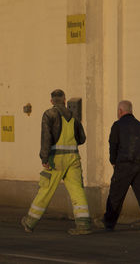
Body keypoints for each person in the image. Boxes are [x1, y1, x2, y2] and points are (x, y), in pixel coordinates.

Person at [21, 89, 92, 235]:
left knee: (46, 190)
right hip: (73, 159)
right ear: (65, 100)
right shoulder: (73, 116)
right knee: (77, 190)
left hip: (56, 159)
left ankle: (30, 221)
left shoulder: (49, 114)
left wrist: (44, 158)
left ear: (51, 101)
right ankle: (83, 225)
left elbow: (46, 137)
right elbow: (82, 139)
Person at [95, 100, 140, 231]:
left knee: (116, 196)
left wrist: (113, 161)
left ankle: (109, 222)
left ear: (120, 111)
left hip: (124, 165)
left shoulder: (117, 125)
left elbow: (113, 144)